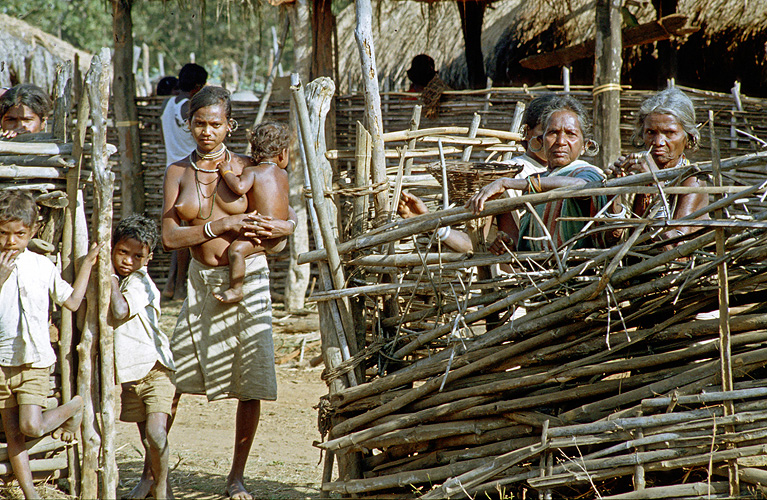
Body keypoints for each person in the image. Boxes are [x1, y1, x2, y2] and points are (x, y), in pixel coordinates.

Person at [161, 85, 294, 500]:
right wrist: (216, 228)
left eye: (215, 124)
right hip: (201, 284)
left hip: (247, 280)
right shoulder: (177, 172)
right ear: (189, 124)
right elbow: (169, 237)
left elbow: (280, 230)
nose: (206, 131)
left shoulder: (247, 169)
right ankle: (154, 472)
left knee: (250, 381)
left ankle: (236, 476)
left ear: (229, 125)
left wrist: (282, 230)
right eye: (199, 123)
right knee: (169, 379)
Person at [0, 190, 100, 500]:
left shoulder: (42, 266)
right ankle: (31, 494)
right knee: (13, 434)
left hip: (34, 361)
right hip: (2, 363)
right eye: (3, 233)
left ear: (32, 232)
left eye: (19, 234)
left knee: (31, 426)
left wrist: (86, 267)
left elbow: (70, 301)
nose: (10, 241)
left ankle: (75, 406)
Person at [468, 95, 623, 252]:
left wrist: (506, 182)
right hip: (540, 272)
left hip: (576, 270)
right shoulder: (538, 180)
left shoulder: (587, 172)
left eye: (570, 134)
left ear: (585, 145)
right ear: (540, 141)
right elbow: (531, 241)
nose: (561, 141)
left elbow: (579, 186)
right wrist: (510, 245)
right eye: (553, 132)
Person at [109, 215, 174, 500]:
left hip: (155, 370)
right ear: (112, 248)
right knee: (147, 439)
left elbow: (120, 311)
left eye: (138, 256)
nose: (129, 261)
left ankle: (160, 490)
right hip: (130, 375)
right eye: (123, 252)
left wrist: (109, 277)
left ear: (147, 259)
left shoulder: (139, 283)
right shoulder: (120, 280)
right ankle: (162, 487)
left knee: (157, 435)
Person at [607, 87, 708, 245]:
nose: (658, 142)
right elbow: (613, 239)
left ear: (688, 137)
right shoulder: (638, 177)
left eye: (669, 133)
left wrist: (656, 184)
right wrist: (614, 192)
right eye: (651, 132)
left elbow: (675, 246)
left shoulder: (692, 181)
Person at [215, 121, 296, 303]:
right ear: (283, 154)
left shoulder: (253, 172)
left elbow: (239, 187)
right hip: (279, 237)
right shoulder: (283, 175)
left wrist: (227, 172)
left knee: (236, 250)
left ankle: (236, 289)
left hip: (263, 236)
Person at [160, 63, 208, 301]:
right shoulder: (190, 108)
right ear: (198, 87)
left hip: (172, 170)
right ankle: (180, 288)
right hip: (190, 173)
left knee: (178, 231)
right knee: (186, 232)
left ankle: (171, 285)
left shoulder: (168, 105)